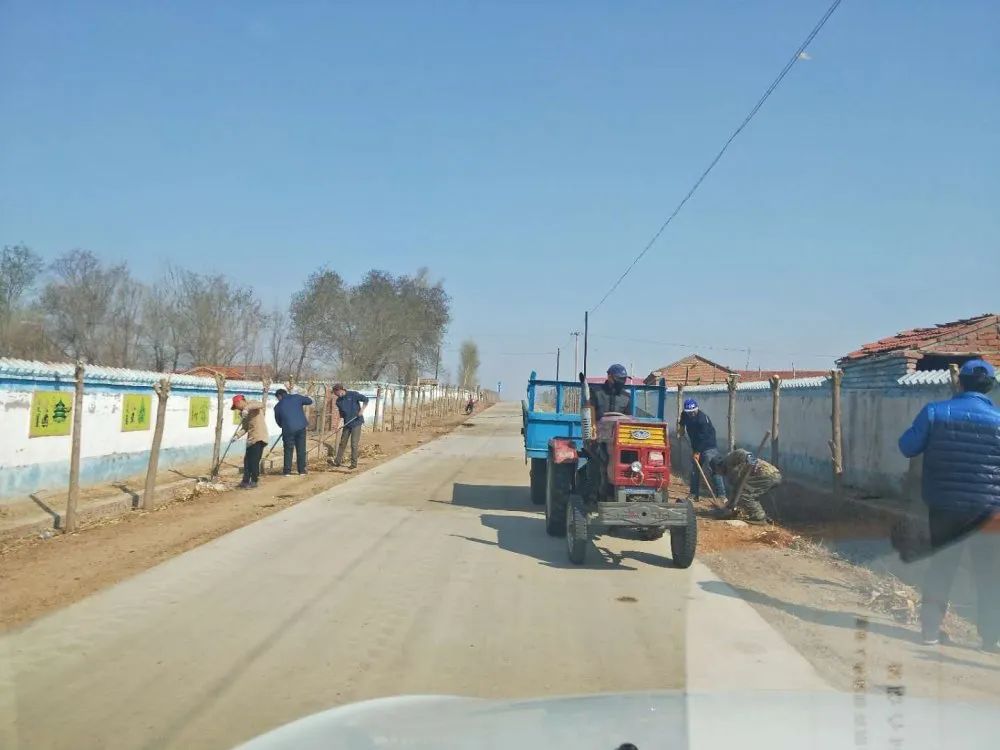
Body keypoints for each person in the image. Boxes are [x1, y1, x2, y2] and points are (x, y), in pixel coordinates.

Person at [898, 358, 1000, 650]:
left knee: (942, 567)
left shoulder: (935, 412)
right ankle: (990, 639)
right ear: (990, 386)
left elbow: (907, 446)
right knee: (990, 573)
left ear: (959, 382)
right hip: (989, 510)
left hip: (945, 506)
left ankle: (930, 632)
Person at [710, 449, 779, 524]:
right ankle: (762, 516)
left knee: (744, 494)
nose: (719, 474)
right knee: (745, 493)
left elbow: (743, 453)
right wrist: (729, 507)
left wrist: (750, 461)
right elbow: (736, 490)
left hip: (768, 474)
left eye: (717, 471)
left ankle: (759, 518)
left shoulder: (729, 458)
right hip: (766, 476)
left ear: (718, 466)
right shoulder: (730, 474)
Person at [678, 398, 727, 503]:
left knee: (714, 468)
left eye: (693, 412)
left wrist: (697, 452)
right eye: (689, 412)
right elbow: (682, 420)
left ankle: (721, 496)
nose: (691, 414)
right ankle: (694, 494)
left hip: (708, 446)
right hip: (696, 446)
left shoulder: (702, 419)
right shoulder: (685, 414)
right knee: (694, 471)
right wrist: (681, 428)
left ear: (697, 409)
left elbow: (703, 438)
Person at [274, 388, 314, 476]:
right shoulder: (296, 397)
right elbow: (310, 401)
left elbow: (278, 421)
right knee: (301, 449)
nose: (278, 400)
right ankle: (302, 471)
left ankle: (287, 471)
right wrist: (306, 396)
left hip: (288, 429)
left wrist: (284, 426)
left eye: (277, 398)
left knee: (288, 450)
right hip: (301, 427)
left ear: (279, 396)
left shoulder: (277, 406)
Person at [232, 393, 267, 489]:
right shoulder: (243, 413)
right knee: (247, 461)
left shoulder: (252, 404)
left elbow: (261, 404)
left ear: (239, 402)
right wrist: (237, 436)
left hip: (259, 437)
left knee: (254, 461)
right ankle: (245, 480)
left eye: (236, 406)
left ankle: (254, 481)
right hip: (251, 439)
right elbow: (245, 427)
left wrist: (246, 409)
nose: (237, 408)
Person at [333, 383, 369, 470]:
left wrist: (361, 410)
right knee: (342, 443)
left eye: (336, 393)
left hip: (356, 422)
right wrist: (339, 425)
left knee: (354, 444)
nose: (336, 395)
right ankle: (337, 461)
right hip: (347, 423)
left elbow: (366, 400)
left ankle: (353, 463)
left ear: (340, 390)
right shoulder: (338, 401)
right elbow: (341, 415)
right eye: (335, 394)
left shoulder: (353, 394)